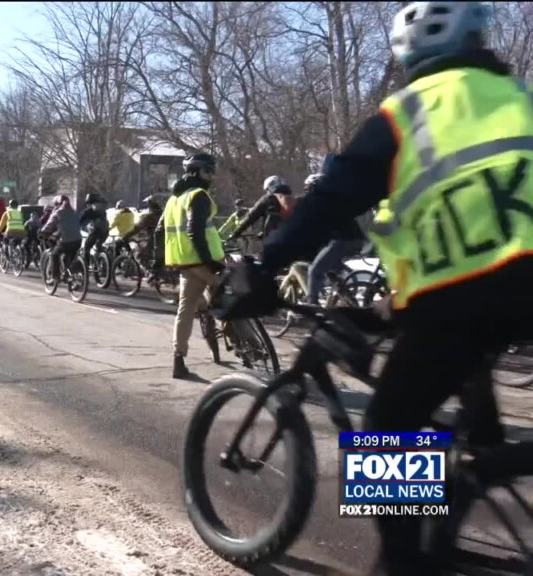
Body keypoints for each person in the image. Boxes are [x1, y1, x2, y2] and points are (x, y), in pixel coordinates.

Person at [216, 3, 530, 573]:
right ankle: (484, 460)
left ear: (410, 51)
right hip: (510, 285)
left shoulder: (411, 109)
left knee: (387, 429)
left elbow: (334, 198)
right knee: (464, 385)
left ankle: (403, 565)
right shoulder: (520, 100)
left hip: (464, 288)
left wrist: (267, 266)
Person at [159, 153, 226, 380]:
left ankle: (178, 359)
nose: (212, 177)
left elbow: (160, 230)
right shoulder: (199, 196)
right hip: (203, 261)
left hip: (183, 263)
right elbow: (194, 232)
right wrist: (210, 262)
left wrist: (160, 262)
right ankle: (249, 346)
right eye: (209, 171)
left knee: (186, 310)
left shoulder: (173, 200)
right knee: (232, 297)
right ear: (197, 172)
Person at [301, 172, 366, 304]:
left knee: (314, 270)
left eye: (309, 188)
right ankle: (350, 300)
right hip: (355, 239)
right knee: (332, 272)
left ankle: (311, 304)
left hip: (342, 240)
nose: (307, 192)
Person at [229, 176, 297, 242]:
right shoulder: (293, 199)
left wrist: (236, 233)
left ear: (269, 187)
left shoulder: (268, 199)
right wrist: (263, 232)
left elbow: (251, 216)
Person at [39, 194, 82, 280]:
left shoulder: (58, 212)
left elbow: (49, 225)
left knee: (55, 254)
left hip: (66, 241)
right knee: (68, 255)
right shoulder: (74, 212)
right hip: (78, 240)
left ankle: (56, 276)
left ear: (58, 204)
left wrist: (42, 232)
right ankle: (70, 273)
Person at [79, 193, 110, 260]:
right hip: (105, 230)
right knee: (98, 245)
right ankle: (104, 261)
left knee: (87, 247)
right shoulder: (102, 209)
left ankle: (85, 267)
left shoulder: (89, 210)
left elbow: (80, 221)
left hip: (96, 230)